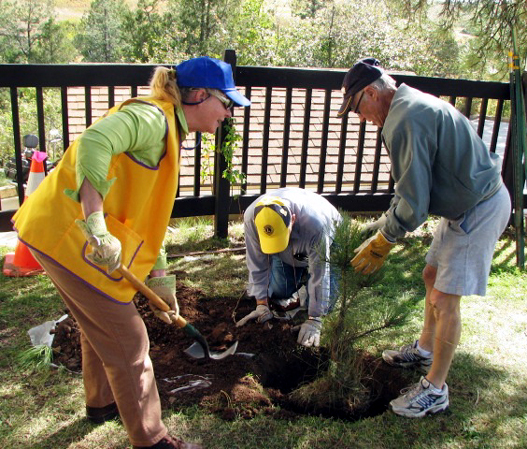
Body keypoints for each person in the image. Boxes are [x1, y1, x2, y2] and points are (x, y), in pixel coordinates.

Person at [12, 56, 250, 448]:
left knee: (97, 323)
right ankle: (153, 440)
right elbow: (95, 142)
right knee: (129, 341)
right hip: (69, 237)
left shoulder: (170, 129)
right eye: (226, 103)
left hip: (63, 234)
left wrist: (161, 280)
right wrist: (96, 226)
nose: (229, 113)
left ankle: (101, 404)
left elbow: (146, 214)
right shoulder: (154, 119)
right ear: (200, 95)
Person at [338, 58, 511, 418]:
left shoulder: (405, 119)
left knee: (446, 299)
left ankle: (435, 389)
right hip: (463, 206)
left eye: (357, 107)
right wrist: (383, 224)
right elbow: (409, 185)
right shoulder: (406, 105)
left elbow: (415, 206)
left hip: (479, 208)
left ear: (371, 92)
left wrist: (385, 240)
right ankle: (426, 349)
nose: (359, 117)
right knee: (431, 276)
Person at [237, 187, 342, 347]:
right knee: (279, 291)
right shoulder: (252, 218)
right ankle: (301, 281)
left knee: (324, 303)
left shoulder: (316, 225)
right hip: (291, 250)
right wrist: (261, 304)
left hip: (329, 244)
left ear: (292, 219)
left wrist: (314, 319)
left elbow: (321, 274)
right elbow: (257, 263)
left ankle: (308, 285)